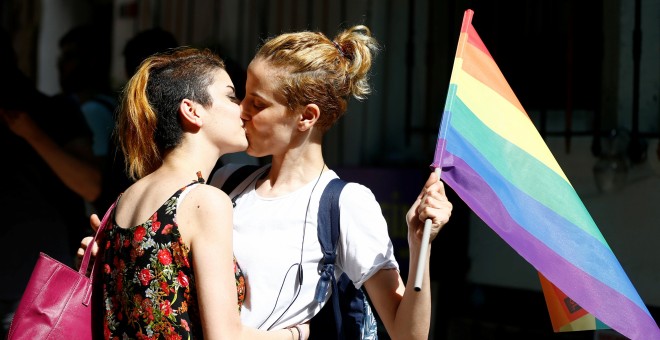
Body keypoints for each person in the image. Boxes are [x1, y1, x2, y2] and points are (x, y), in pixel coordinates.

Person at [208, 25, 452, 339]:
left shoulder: (345, 204)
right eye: (244, 97)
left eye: (258, 104)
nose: (242, 111)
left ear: (306, 117)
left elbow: (408, 334)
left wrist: (420, 247)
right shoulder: (226, 181)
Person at [93, 46, 308, 339]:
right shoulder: (203, 202)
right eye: (232, 96)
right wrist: (299, 333)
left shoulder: (126, 198)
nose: (245, 108)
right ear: (192, 111)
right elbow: (225, 336)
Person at [0, 27, 94, 337]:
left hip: (37, 288)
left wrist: (30, 133)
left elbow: (91, 183)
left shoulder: (55, 112)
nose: (61, 65)